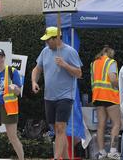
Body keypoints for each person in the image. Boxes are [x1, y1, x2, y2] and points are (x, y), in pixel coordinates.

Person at [31, 26, 83, 160]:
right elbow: (37, 69)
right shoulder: (45, 51)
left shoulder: (70, 52)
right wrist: (34, 82)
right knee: (57, 130)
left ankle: (56, 158)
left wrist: (65, 65)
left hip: (65, 96)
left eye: (49, 40)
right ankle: (65, 158)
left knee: (60, 128)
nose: (47, 42)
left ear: (57, 38)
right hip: (49, 96)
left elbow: (79, 73)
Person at [91, 46, 121, 159]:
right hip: (110, 96)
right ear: (109, 52)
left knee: (101, 125)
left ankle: (101, 152)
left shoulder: (94, 63)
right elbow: (113, 79)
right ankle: (113, 151)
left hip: (97, 96)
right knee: (117, 123)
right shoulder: (111, 62)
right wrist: (122, 85)